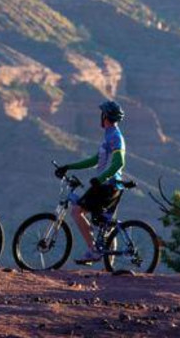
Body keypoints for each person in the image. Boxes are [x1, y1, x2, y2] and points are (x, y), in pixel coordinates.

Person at [55, 100, 126, 264]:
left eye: (102, 114)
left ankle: (93, 250)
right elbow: (95, 160)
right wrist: (69, 167)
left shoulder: (115, 136)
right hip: (107, 186)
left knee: (76, 211)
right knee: (105, 225)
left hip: (108, 186)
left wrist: (101, 179)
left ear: (105, 116)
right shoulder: (109, 135)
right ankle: (109, 266)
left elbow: (119, 162)